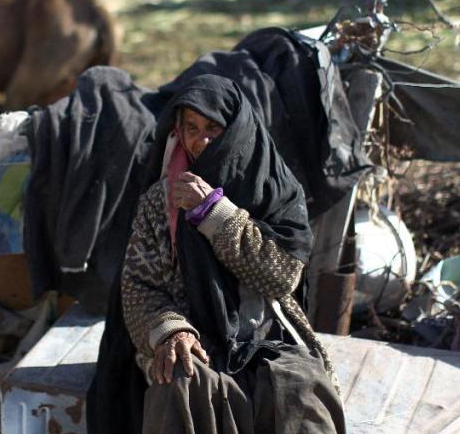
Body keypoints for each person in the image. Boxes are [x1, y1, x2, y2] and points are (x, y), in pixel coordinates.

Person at [116, 74, 346, 434]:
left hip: (266, 334)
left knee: (299, 387)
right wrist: (172, 332)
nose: (200, 138)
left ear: (236, 130)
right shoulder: (159, 203)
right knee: (181, 380)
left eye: (213, 127)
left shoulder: (276, 192)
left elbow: (281, 276)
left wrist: (213, 213)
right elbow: (139, 287)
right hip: (194, 333)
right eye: (190, 127)